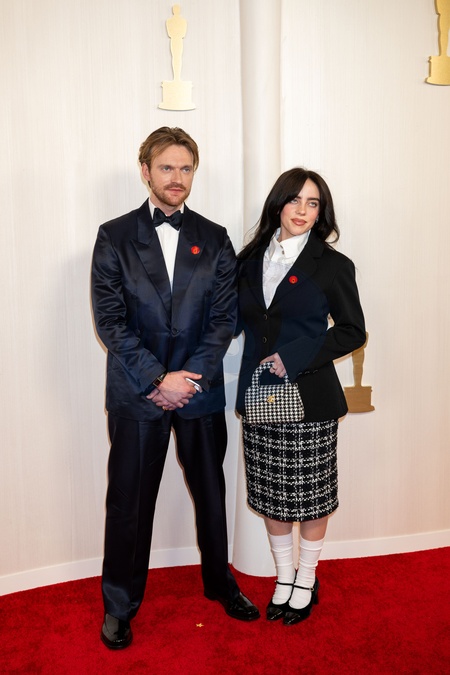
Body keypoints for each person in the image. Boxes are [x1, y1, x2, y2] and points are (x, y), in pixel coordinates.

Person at [91, 126, 259, 650]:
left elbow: (224, 319)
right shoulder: (114, 235)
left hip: (199, 392)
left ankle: (220, 583)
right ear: (146, 170)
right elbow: (110, 321)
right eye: (167, 167)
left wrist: (187, 378)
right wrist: (158, 378)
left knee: (211, 493)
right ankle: (119, 604)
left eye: (186, 168)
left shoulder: (216, 237)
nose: (177, 177)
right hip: (137, 393)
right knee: (128, 503)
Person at [235, 168, 366, 626]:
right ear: (278, 204)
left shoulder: (333, 265)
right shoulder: (248, 261)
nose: (303, 211)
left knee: (311, 498)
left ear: (321, 212)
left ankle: (306, 578)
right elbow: (233, 321)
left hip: (310, 399)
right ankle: (284, 576)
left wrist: (294, 357)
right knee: (271, 495)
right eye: (295, 200)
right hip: (260, 398)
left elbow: (352, 331)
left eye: (313, 203)